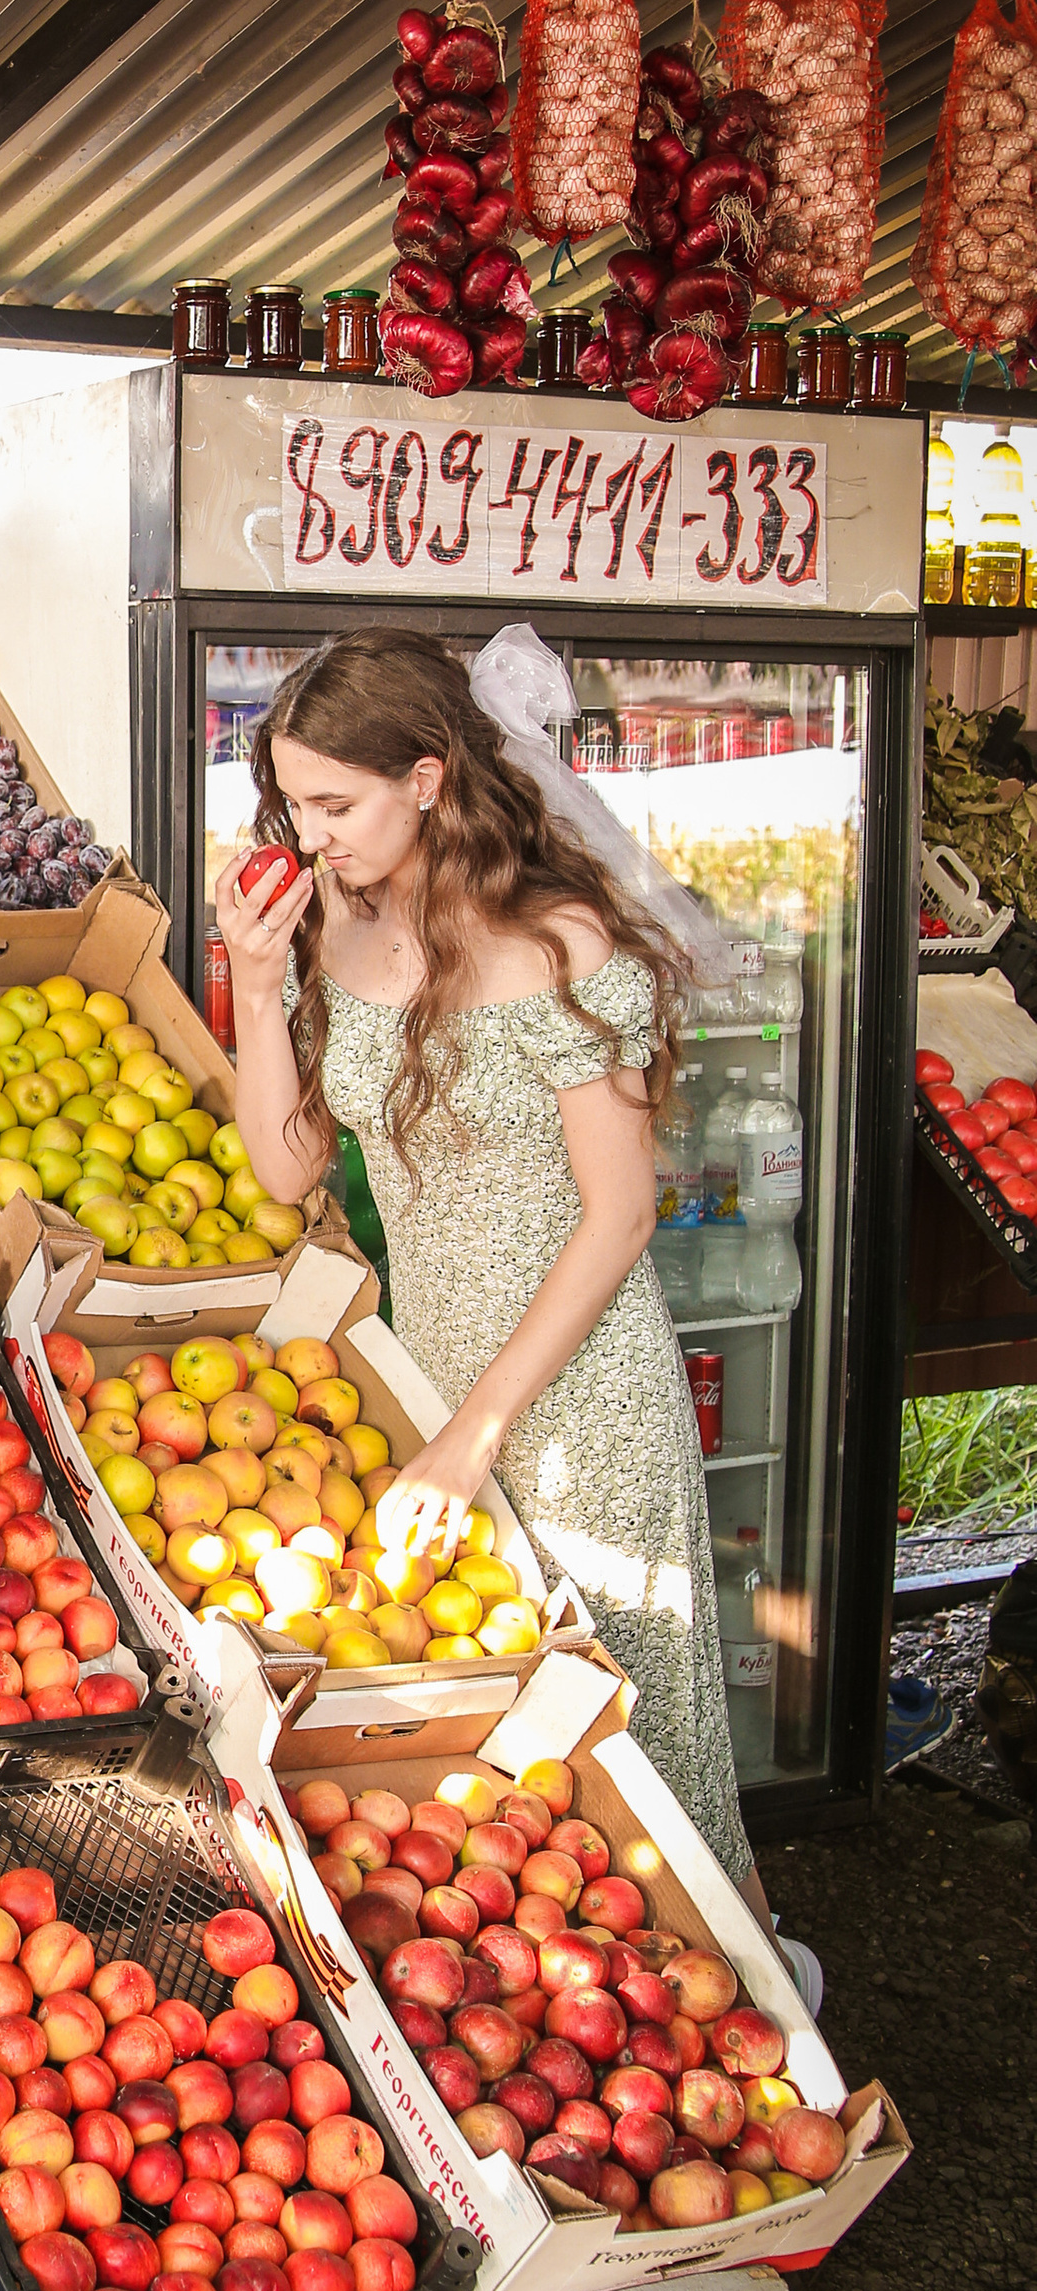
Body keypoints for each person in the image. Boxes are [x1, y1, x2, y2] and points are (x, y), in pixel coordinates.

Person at [210, 626, 779, 1924]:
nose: (309, 835)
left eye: (334, 803)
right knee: (519, 1793)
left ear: (427, 777)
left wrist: (479, 1435)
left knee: (644, 1766)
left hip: (579, 1403)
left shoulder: (562, 943)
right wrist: (253, 978)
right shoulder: (343, 928)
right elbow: (290, 1168)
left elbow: (621, 1217)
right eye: (292, 803)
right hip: (434, 1396)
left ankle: (775, 2027)